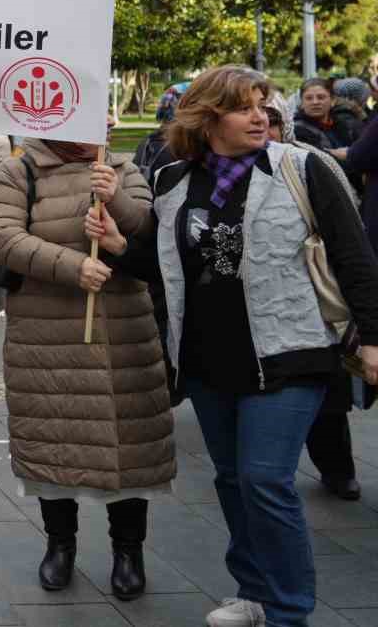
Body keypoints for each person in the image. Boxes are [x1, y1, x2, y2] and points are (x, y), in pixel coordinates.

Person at [123, 66, 378, 627]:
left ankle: (288, 612)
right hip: (208, 358)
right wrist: (116, 242)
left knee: (265, 479)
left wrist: (374, 337)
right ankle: (254, 593)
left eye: (263, 104)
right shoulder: (172, 181)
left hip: (291, 351)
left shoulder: (303, 168)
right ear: (207, 117)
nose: (260, 116)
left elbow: (355, 257)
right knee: (233, 480)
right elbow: (160, 265)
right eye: (244, 107)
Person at [0, 134, 174, 599]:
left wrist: (118, 201)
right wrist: (72, 265)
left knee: (128, 448)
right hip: (48, 334)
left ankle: (129, 551)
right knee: (54, 441)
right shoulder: (19, 170)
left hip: (123, 332)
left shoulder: (122, 168)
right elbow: (1, 236)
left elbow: (150, 233)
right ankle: (59, 545)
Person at [270, 98, 368, 502]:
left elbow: (349, 237)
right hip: (259, 314)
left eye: (273, 118)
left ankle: (337, 469)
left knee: (328, 398)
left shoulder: (311, 163)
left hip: (314, 303)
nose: (264, 126)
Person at [294, 78, 358, 157]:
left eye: (321, 97)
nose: (315, 102)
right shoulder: (297, 131)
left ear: (333, 101)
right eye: (309, 98)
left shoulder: (342, 125)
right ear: (302, 103)